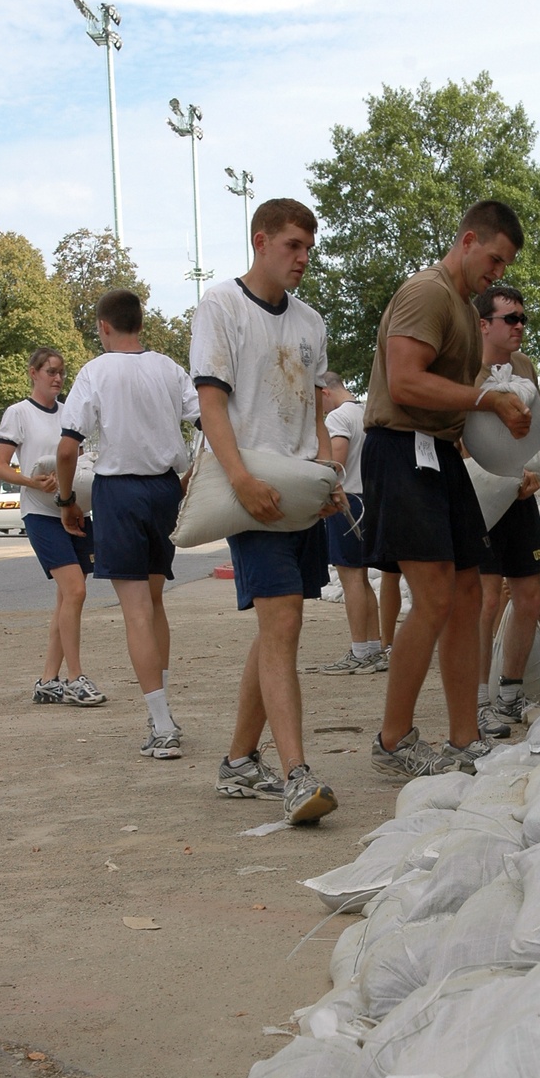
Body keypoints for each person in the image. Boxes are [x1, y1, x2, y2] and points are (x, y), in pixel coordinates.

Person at [362, 199, 531, 781]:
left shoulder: (460, 305)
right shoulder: (428, 292)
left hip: (439, 455)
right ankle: (393, 741)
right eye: (494, 258)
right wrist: (483, 399)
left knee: (466, 598)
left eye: (505, 265)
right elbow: (406, 382)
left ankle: (465, 739)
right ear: (467, 240)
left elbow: (449, 399)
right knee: (434, 598)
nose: (498, 273)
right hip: (403, 449)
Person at [190, 197, 343, 825]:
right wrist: (241, 480)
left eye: (309, 248)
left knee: (277, 628)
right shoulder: (221, 306)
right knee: (282, 627)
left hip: (301, 492)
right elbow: (211, 403)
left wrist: (331, 468)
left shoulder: (310, 322)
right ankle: (296, 776)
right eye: (292, 246)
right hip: (250, 493)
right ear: (260, 241)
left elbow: (318, 404)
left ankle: (236, 761)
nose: (303, 259)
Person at [55, 290, 199, 757]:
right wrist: (188, 478)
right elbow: (212, 426)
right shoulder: (170, 369)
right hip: (164, 489)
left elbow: (67, 447)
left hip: (119, 492)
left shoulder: (96, 371)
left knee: (135, 608)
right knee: (155, 603)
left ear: (103, 327)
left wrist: (64, 500)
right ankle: (165, 711)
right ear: (141, 323)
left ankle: (162, 726)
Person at [0, 347, 106, 706]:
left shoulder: (69, 414)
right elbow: (0, 467)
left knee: (66, 598)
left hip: (73, 512)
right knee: (74, 592)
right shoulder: (19, 414)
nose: (57, 378)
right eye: (50, 371)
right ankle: (75, 678)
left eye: (61, 372)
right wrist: (31, 482)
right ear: (33, 373)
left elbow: (76, 459)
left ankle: (47, 680)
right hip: (41, 515)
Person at [471, 285, 540, 739]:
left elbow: (532, 435)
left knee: (529, 598)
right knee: (485, 602)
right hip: (479, 497)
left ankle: (509, 695)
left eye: (523, 319)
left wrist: (533, 472)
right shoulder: (463, 368)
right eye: (511, 319)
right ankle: (479, 702)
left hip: (519, 497)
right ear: (484, 324)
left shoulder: (525, 369)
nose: (520, 326)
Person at [318, 371, 387, 675]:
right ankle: (372, 646)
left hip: (346, 501)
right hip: (369, 500)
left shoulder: (336, 419)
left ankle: (360, 648)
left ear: (325, 392)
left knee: (350, 579)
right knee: (361, 578)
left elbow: (335, 462)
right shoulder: (365, 413)